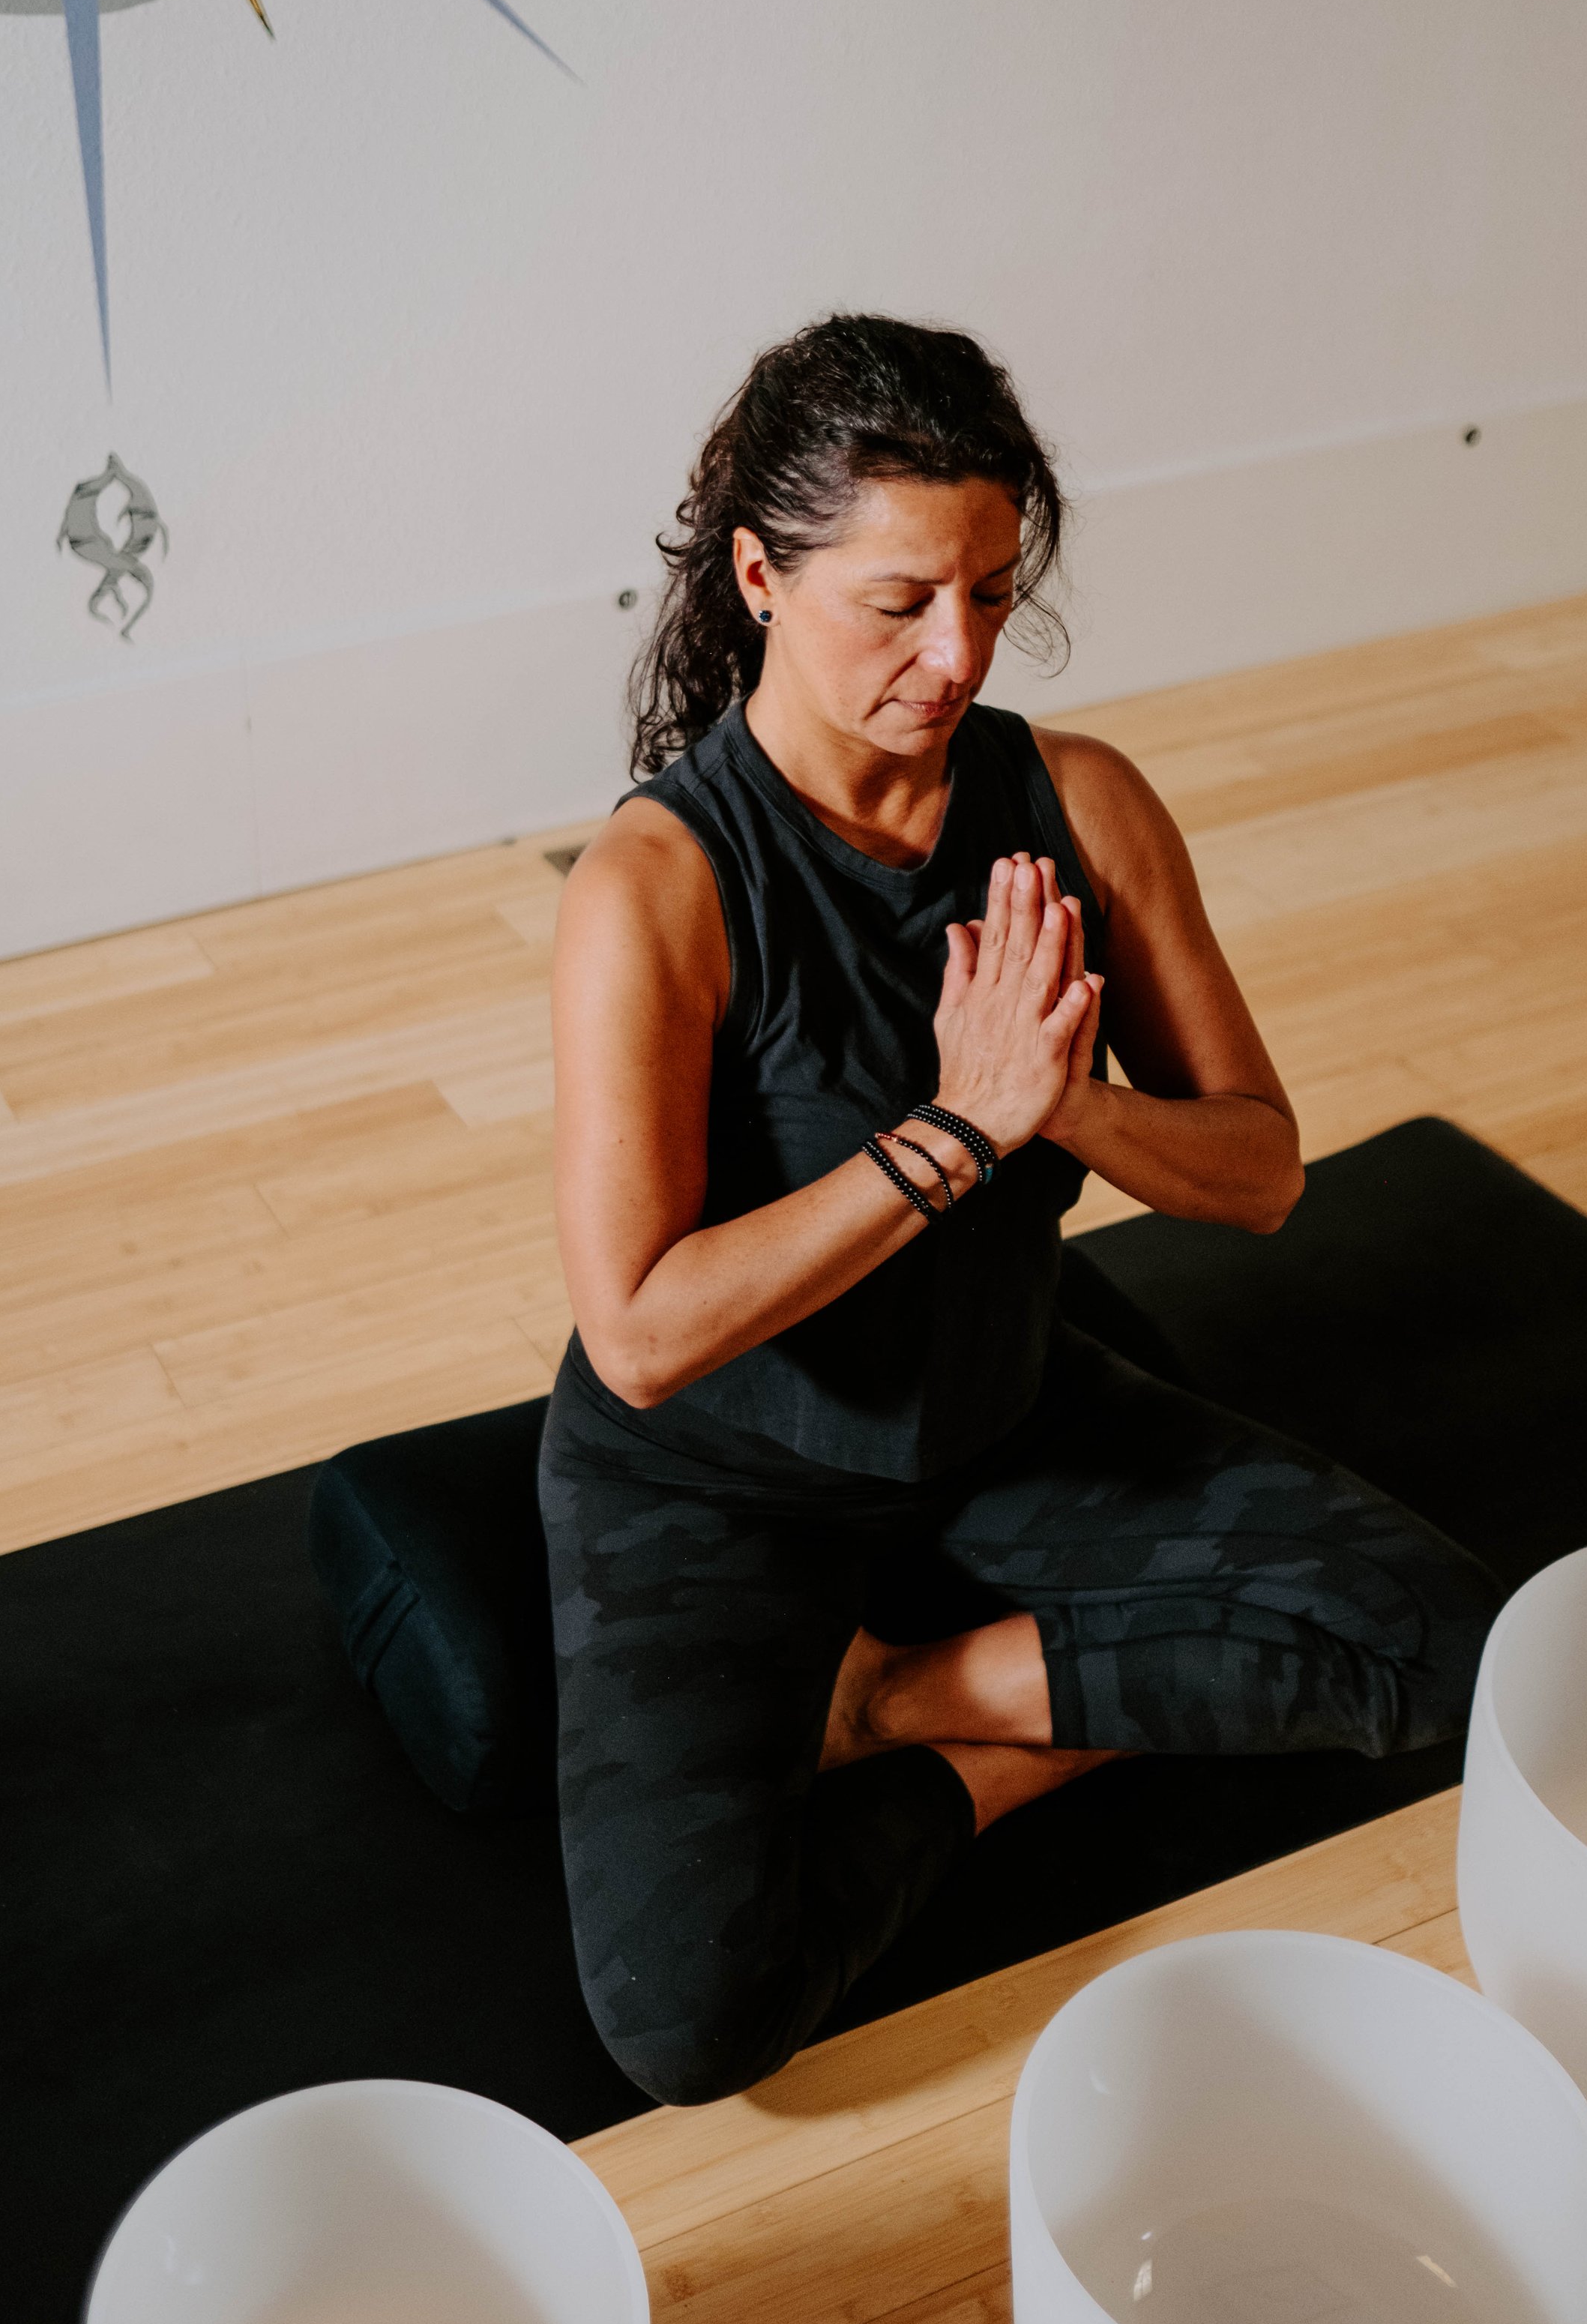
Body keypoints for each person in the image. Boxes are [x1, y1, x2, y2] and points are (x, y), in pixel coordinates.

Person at [545, 314, 1499, 2106]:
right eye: (897, 602)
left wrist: (1068, 1103)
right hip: (721, 1472)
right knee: (685, 2018)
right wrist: (954, 1133)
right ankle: (1003, 1703)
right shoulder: (656, 885)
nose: (957, 651)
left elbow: (1261, 1172)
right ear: (758, 577)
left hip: (1001, 1409)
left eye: (989, 593)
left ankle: (900, 1703)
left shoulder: (1081, 803)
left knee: (1453, 1649)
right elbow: (642, 1334)